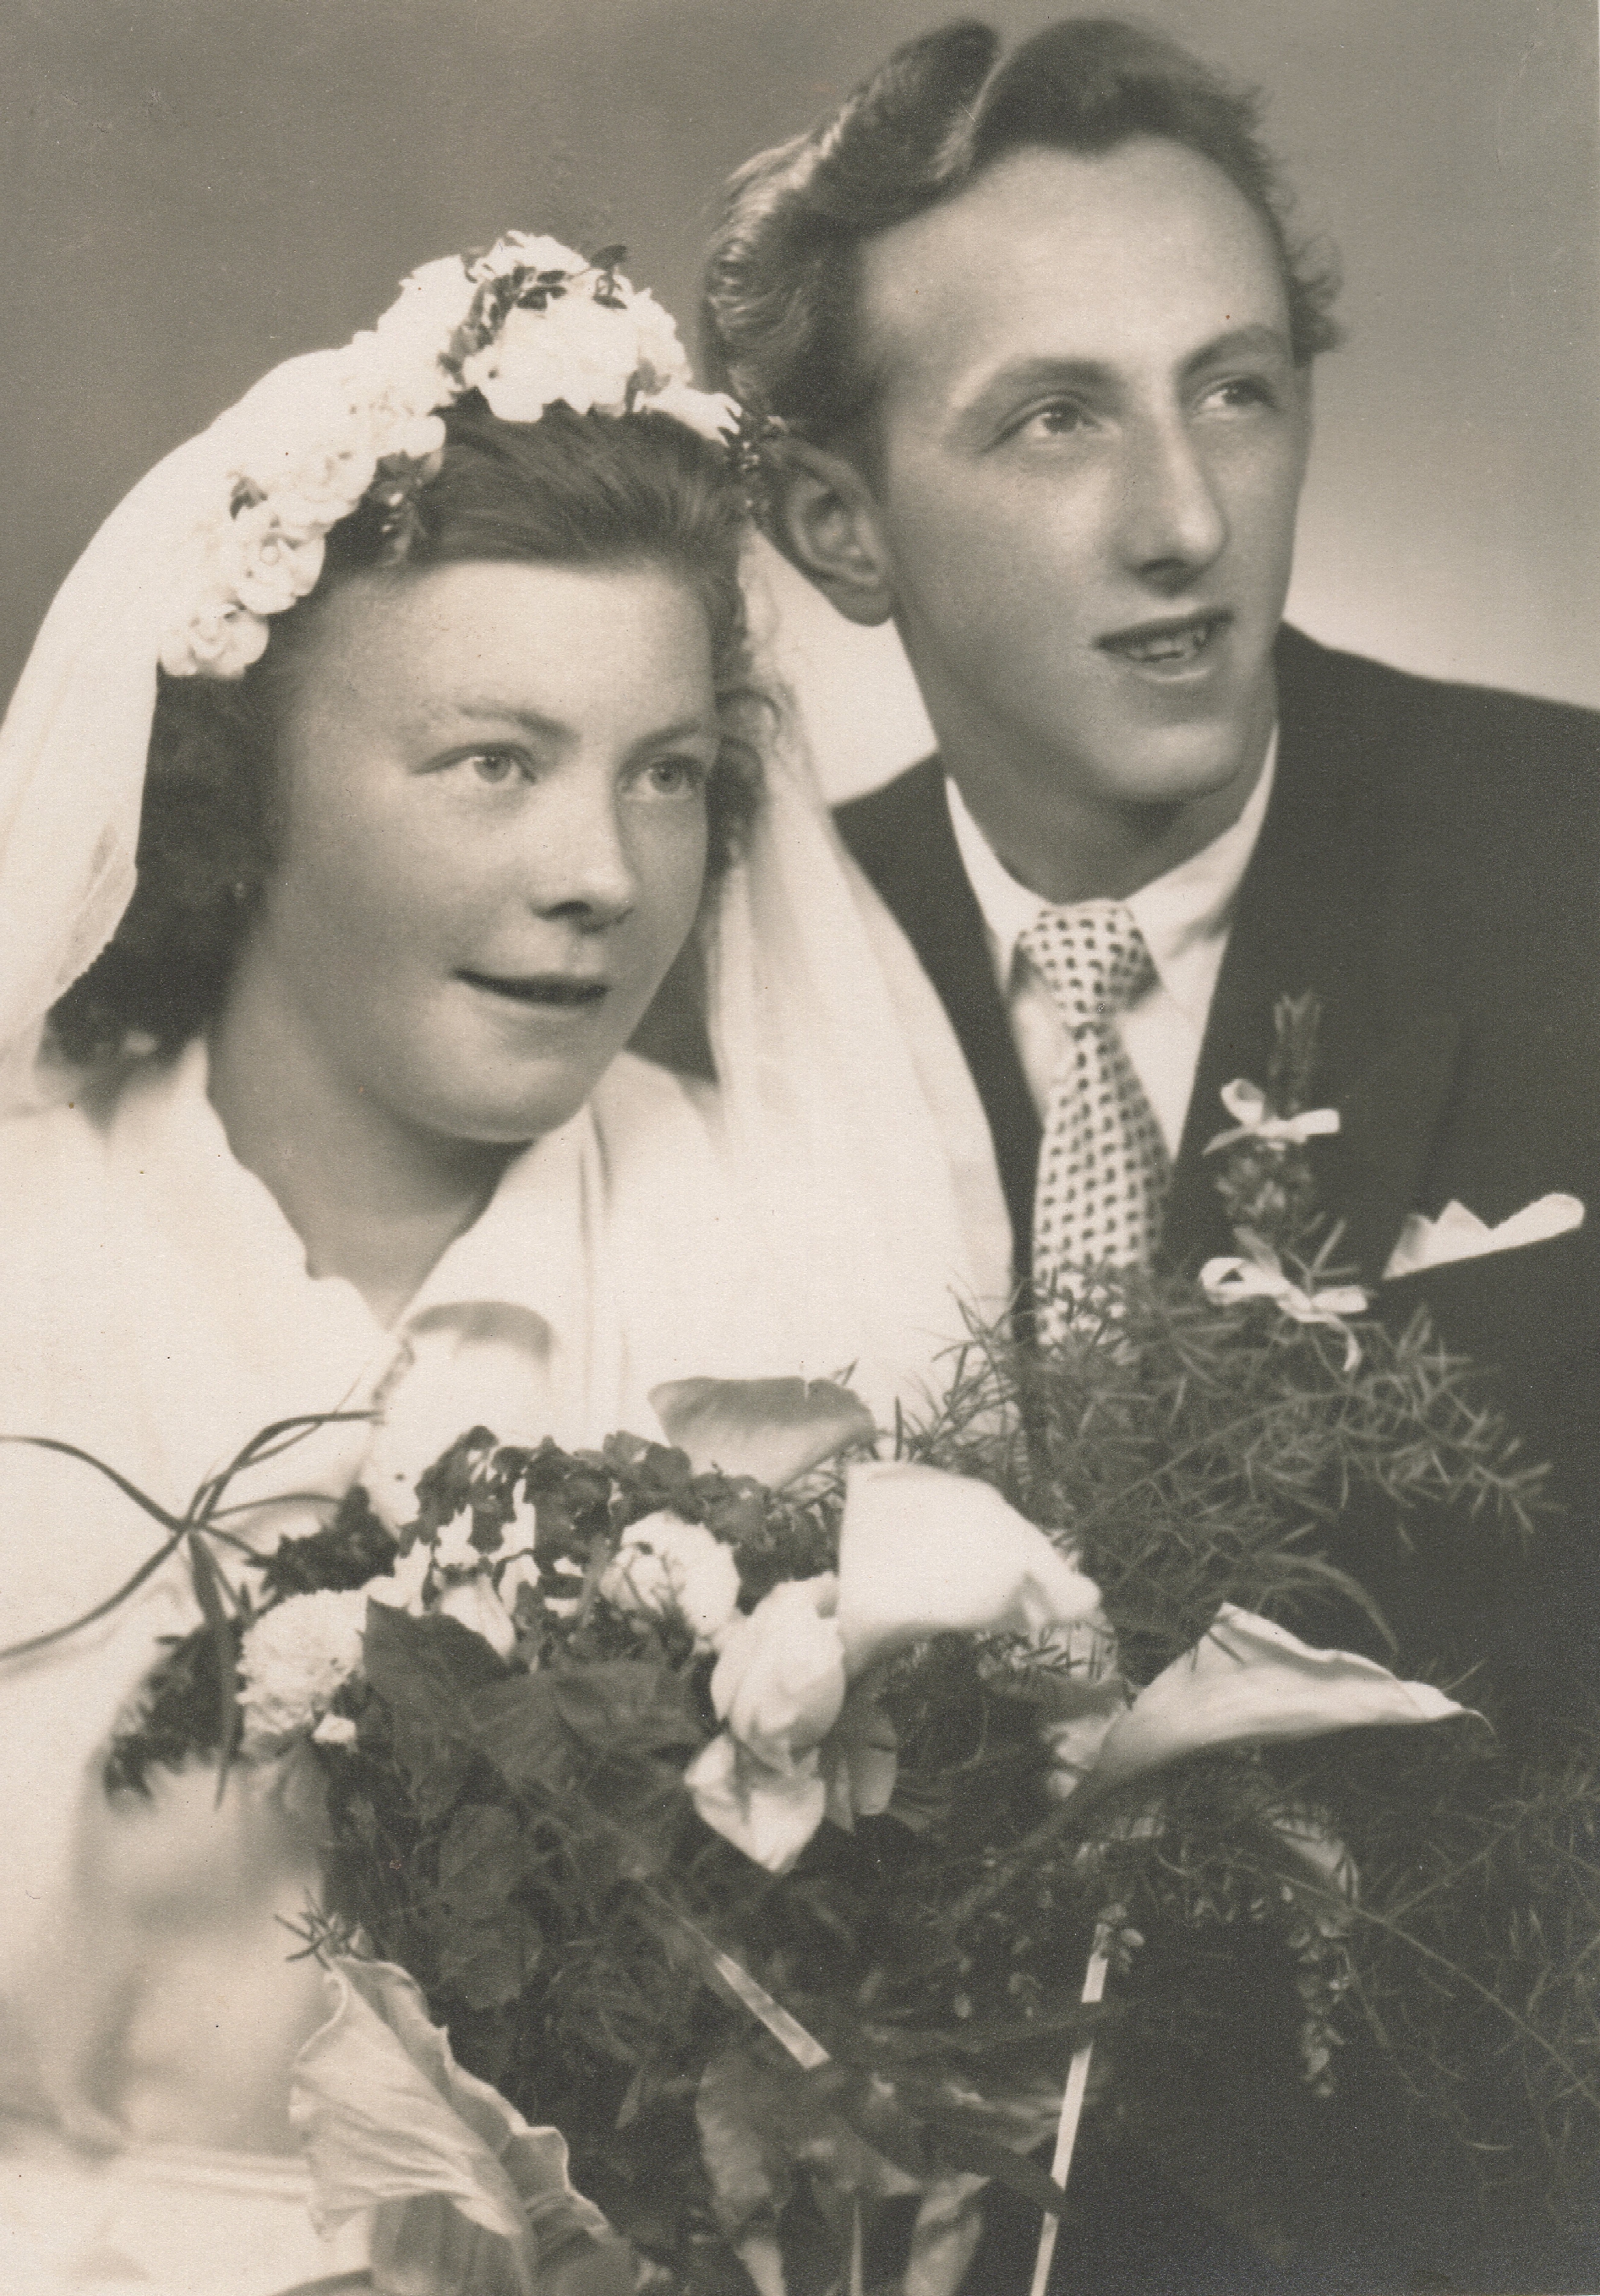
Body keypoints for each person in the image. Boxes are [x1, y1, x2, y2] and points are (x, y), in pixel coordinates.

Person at [0, 234, 1008, 2293]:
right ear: (250, 789)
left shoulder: (795, 1269)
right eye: (492, 763)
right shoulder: (35, 1244)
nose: (600, 876)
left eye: (666, 776)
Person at [701, 18, 1600, 2291]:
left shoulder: (1567, 866)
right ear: (834, 524)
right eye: (1053, 417)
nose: (1183, 519)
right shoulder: (731, 1000)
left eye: (1233, 389)